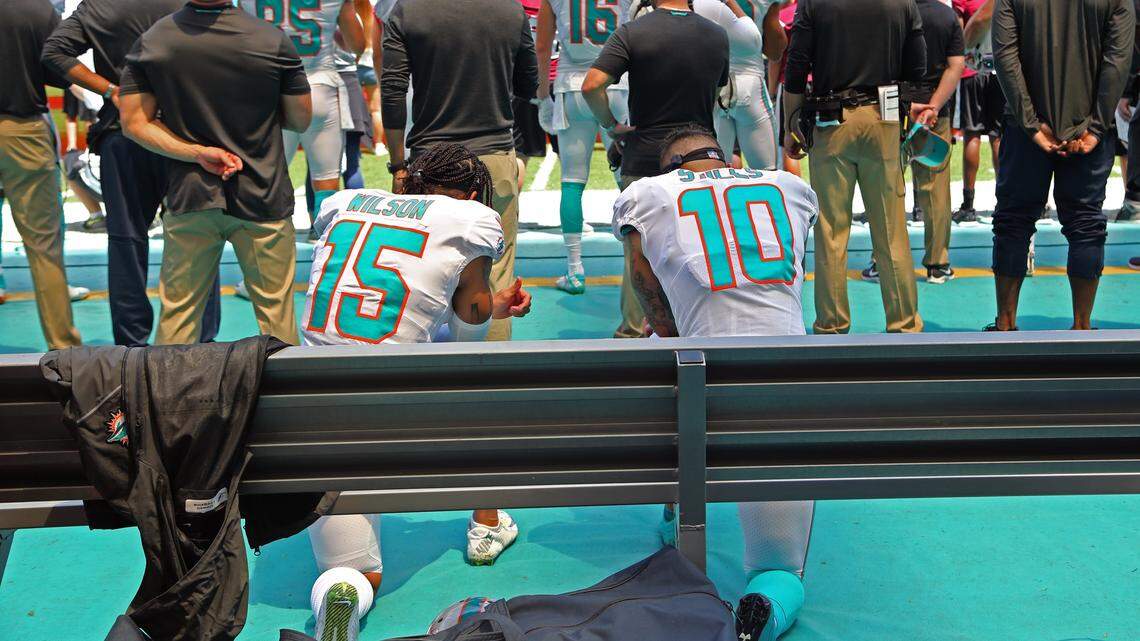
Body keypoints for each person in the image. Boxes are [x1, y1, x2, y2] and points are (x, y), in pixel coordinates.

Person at [300, 143, 533, 641]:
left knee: (353, 571)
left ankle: (342, 596)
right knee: (478, 377)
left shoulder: (345, 203)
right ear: (472, 194)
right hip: (399, 416)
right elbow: (468, 325)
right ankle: (485, 518)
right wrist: (490, 304)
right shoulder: (470, 220)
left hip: (309, 408)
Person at [615, 125, 816, 641]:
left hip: (696, 398)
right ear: (725, 157)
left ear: (671, 171)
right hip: (784, 388)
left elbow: (654, 304)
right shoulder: (791, 187)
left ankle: (676, 509)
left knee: (668, 353)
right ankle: (762, 613)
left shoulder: (648, 196)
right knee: (777, 571)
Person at [117, 0, 314, 345]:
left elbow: (134, 123)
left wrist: (196, 152)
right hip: (262, 193)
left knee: (178, 321)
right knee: (277, 322)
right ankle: (281, 398)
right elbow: (300, 118)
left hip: (190, 195)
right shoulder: (271, 39)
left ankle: (170, 399)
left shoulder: (155, 40)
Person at [42, 0, 224, 347]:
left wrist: (110, 90)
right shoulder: (185, 3)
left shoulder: (100, 6)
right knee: (196, 238)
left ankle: (131, 343)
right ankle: (200, 336)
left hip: (123, 133)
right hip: (184, 134)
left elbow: (54, 53)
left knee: (127, 242)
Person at [381, 0, 537, 342]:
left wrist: (397, 164)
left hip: (430, 162)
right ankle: (490, 375)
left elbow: (392, 91)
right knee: (495, 275)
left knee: (421, 271)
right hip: (493, 153)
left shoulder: (407, 10)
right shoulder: (511, 10)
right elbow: (528, 86)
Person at [583, 0, 730, 338]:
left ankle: (634, 330)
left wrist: (611, 125)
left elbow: (592, 85)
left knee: (639, 254)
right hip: (699, 157)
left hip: (647, 154)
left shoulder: (634, 32)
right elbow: (717, 88)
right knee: (699, 246)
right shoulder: (716, 35)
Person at [988, 0, 1135, 331]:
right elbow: (1118, 60)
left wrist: (1031, 123)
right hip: (1087, 129)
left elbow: (1005, 57)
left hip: (1027, 130)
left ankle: (1005, 323)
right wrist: (1096, 126)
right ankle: (1082, 326)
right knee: (1085, 224)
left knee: (1013, 222)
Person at [783, 0, 927, 335]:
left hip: (832, 122)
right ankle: (904, 325)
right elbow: (917, 67)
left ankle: (832, 326)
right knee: (892, 232)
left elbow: (797, 64)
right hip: (885, 119)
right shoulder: (903, 3)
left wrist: (791, 124)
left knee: (831, 233)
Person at [241, 0, 365, 238]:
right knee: (326, 182)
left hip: (269, 90)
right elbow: (357, 45)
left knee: (267, 181)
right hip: (320, 85)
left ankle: (267, 250)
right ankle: (325, 252)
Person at [535, 0, 633, 295]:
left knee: (572, 181)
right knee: (627, 181)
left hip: (572, 86)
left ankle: (575, 269)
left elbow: (541, 47)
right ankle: (639, 261)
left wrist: (542, 97)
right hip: (617, 85)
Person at [0, 0, 83, 349]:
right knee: (44, 246)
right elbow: (57, 69)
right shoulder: (36, 10)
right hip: (23, 132)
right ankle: (65, 351)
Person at [903, 0, 965, 283]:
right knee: (937, 190)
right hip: (934, 112)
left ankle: (882, 260)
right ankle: (937, 263)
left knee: (888, 186)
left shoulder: (896, 13)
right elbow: (956, 67)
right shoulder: (947, 16)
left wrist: (909, 105)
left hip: (899, 111)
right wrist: (934, 106)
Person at [694, 0, 785, 171]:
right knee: (768, 174)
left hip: (712, 86)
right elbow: (775, 50)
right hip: (750, 84)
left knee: (715, 173)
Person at [952, 0, 1003, 224]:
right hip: (1000, 68)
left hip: (973, 68)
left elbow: (959, 34)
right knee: (997, 137)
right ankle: (1004, 200)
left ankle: (968, 204)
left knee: (973, 134)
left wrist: (960, 55)